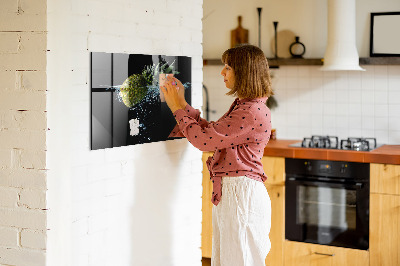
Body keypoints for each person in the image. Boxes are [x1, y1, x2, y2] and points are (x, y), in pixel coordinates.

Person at [161, 44, 273, 266]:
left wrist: (176, 108)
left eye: (228, 67)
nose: (222, 72)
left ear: (244, 72)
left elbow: (204, 141)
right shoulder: (246, 106)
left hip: (241, 195)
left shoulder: (250, 111)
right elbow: (212, 133)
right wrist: (182, 104)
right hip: (236, 193)